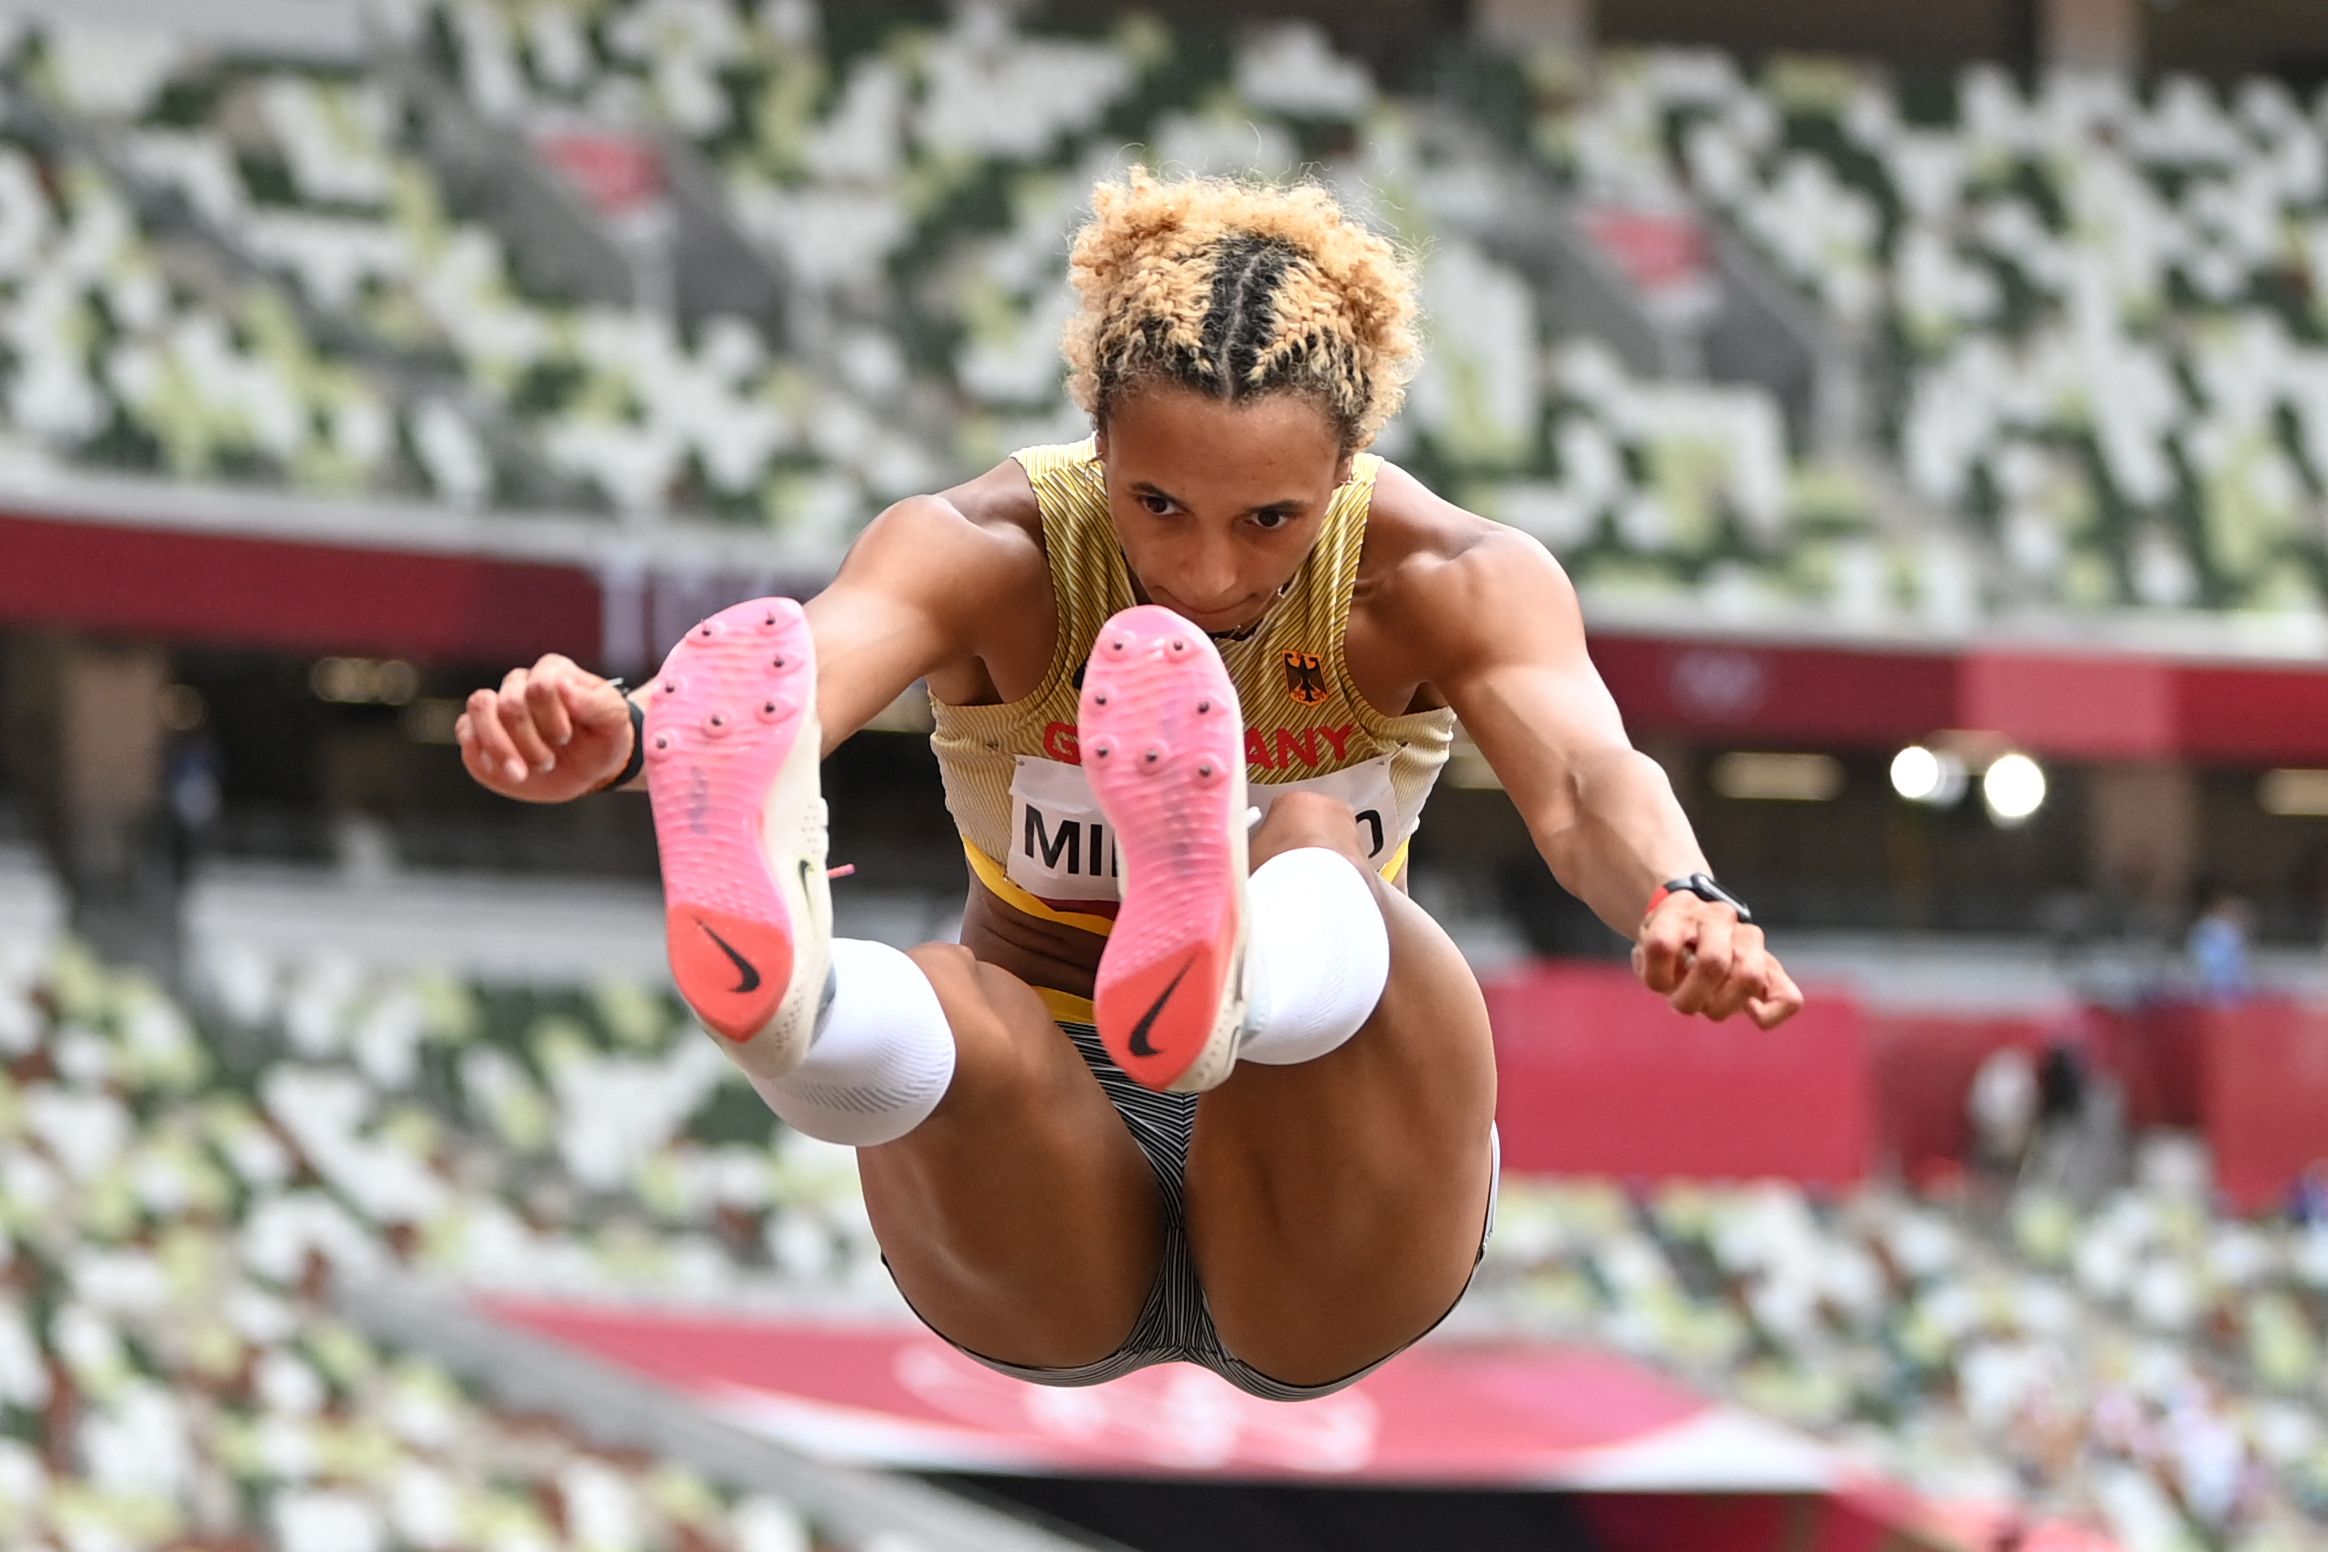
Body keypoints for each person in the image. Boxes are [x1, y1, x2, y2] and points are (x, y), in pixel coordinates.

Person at [454, 169, 1803, 1400]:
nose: (1207, 573)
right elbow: (803, 673)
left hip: (1323, 1163)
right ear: (1097, 445)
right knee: (959, 1006)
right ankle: (787, 1001)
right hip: (1046, 1180)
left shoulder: (1450, 575)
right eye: (1157, 504)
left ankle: (1210, 980)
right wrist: (632, 737)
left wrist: (1678, 890)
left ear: (1346, 474)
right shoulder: (985, 547)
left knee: (1309, 839)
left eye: (1269, 520)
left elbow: (1582, 779)